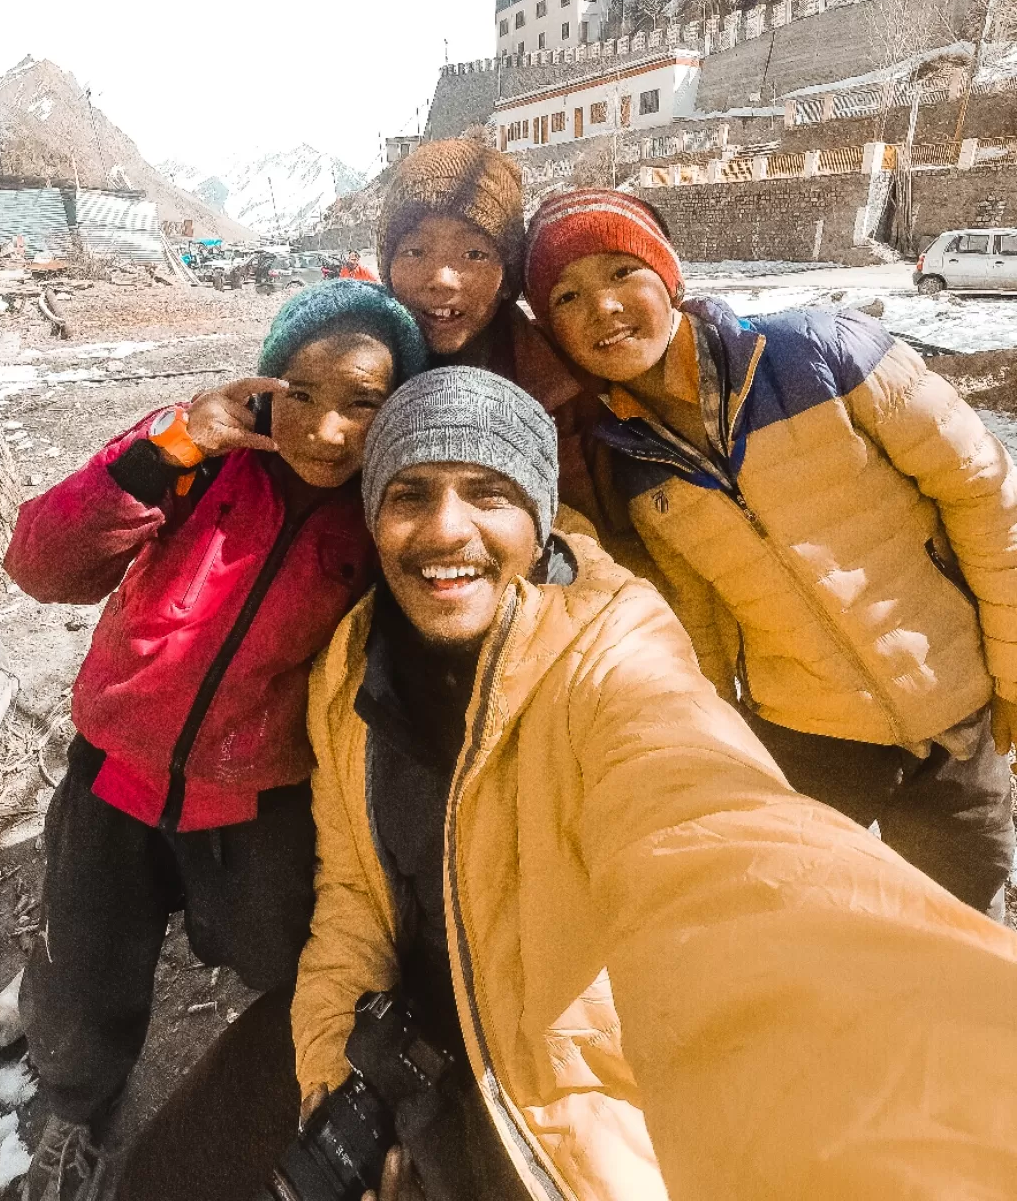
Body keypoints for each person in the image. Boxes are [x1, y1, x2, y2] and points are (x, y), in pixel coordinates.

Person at [119, 369, 1017, 1201]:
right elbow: (354, 890)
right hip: (400, 1045)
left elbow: (716, 831)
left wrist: (928, 1078)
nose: (444, 529)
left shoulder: (607, 651)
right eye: (409, 494)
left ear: (543, 518)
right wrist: (332, 1069)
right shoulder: (351, 667)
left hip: (550, 1080)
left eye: (490, 493)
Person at [3, 280, 427, 1201]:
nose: (326, 431)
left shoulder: (385, 512)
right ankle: (79, 1114)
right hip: (113, 773)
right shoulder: (195, 460)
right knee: (80, 981)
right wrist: (170, 445)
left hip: (260, 792)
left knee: (284, 965)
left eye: (365, 404)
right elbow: (40, 563)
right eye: (302, 395)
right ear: (265, 385)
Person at [524, 186, 1017, 917]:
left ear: (670, 277)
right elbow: (701, 618)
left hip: (956, 712)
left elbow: (984, 495)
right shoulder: (624, 460)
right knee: (826, 945)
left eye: (622, 273)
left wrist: (1010, 675)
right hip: (807, 736)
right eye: (566, 296)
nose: (603, 308)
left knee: (968, 944)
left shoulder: (823, 353)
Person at [377, 137, 620, 550]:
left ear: (508, 277)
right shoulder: (360, 384)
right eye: (415, 251)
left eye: (474, 254)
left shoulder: (572, 384)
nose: (442, 278)